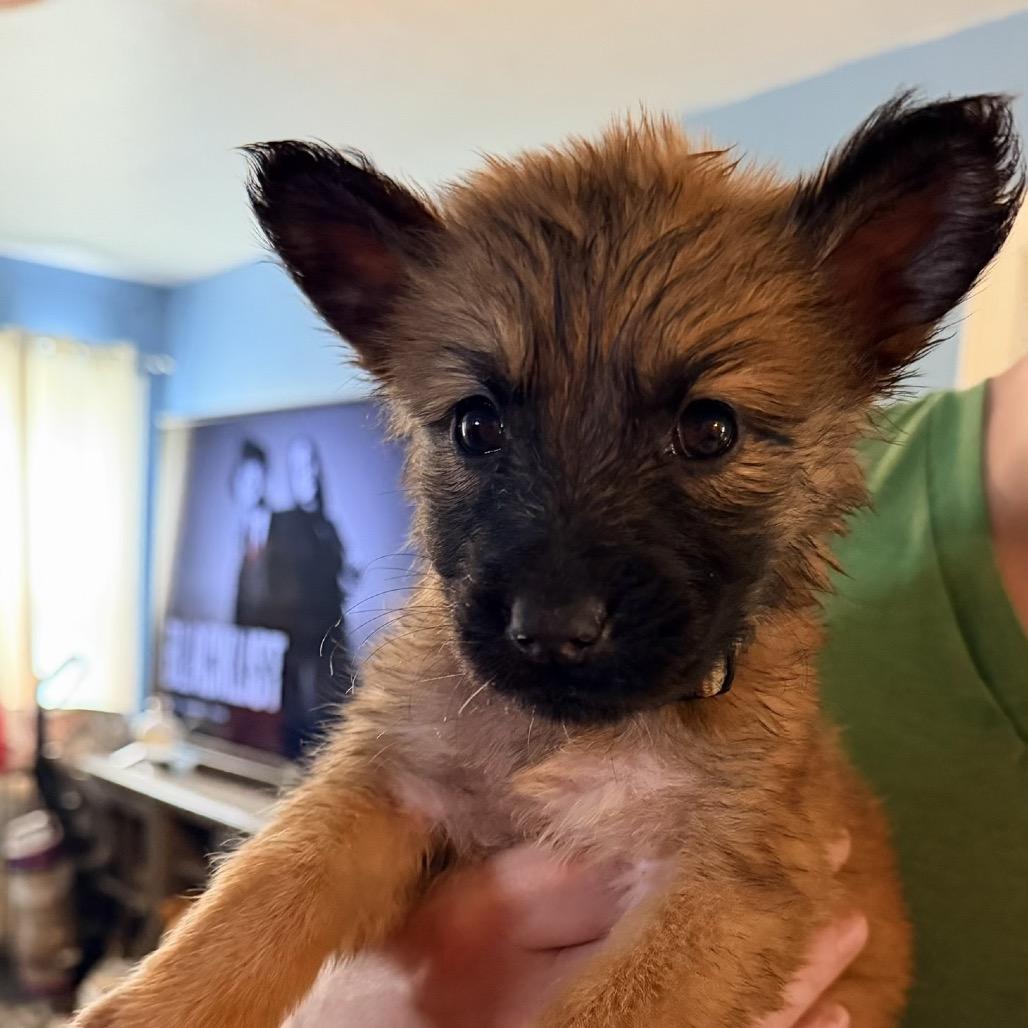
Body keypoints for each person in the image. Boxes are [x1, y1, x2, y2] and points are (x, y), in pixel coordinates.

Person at [285, 353, 1027, 1027]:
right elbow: (382, 803)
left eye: (708, 433)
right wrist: (344, 1010)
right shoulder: (836, 438)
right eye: (480, 429)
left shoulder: (802, 463)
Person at [265, 436, 355, 756]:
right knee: (304, 731)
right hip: (301, 645)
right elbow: (278, 583)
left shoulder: (328, 525)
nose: (309, 473)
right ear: (290, 474)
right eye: (300, 467)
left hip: (334, 641)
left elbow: (337, 576)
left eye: (313, 463)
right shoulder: (284, 523)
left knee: (340, 728)